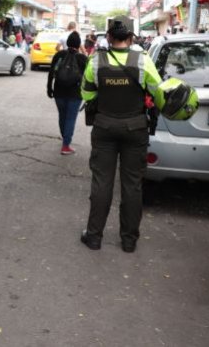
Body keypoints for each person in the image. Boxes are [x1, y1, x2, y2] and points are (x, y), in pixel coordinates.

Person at [79, 16, 163, 253]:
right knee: (132, 185)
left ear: (108, 37)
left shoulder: (96, 61)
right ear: (131, 37)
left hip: (104, 127)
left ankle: (94, 236)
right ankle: (129, 240)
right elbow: (158, 93)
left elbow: (86, 94)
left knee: (101, 182)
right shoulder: (143, 61)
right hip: (135, 129)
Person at [47, 31, 86, 155]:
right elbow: (88, 78)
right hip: (75, 93)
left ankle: (65, 138)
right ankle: (66, 145)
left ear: (68, 42)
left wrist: (49, 88)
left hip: (59, 91)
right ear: (79, 44)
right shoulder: (82, 58)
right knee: (70, 118)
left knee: (62, 116)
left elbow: (51, 73)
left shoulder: (59, 55)